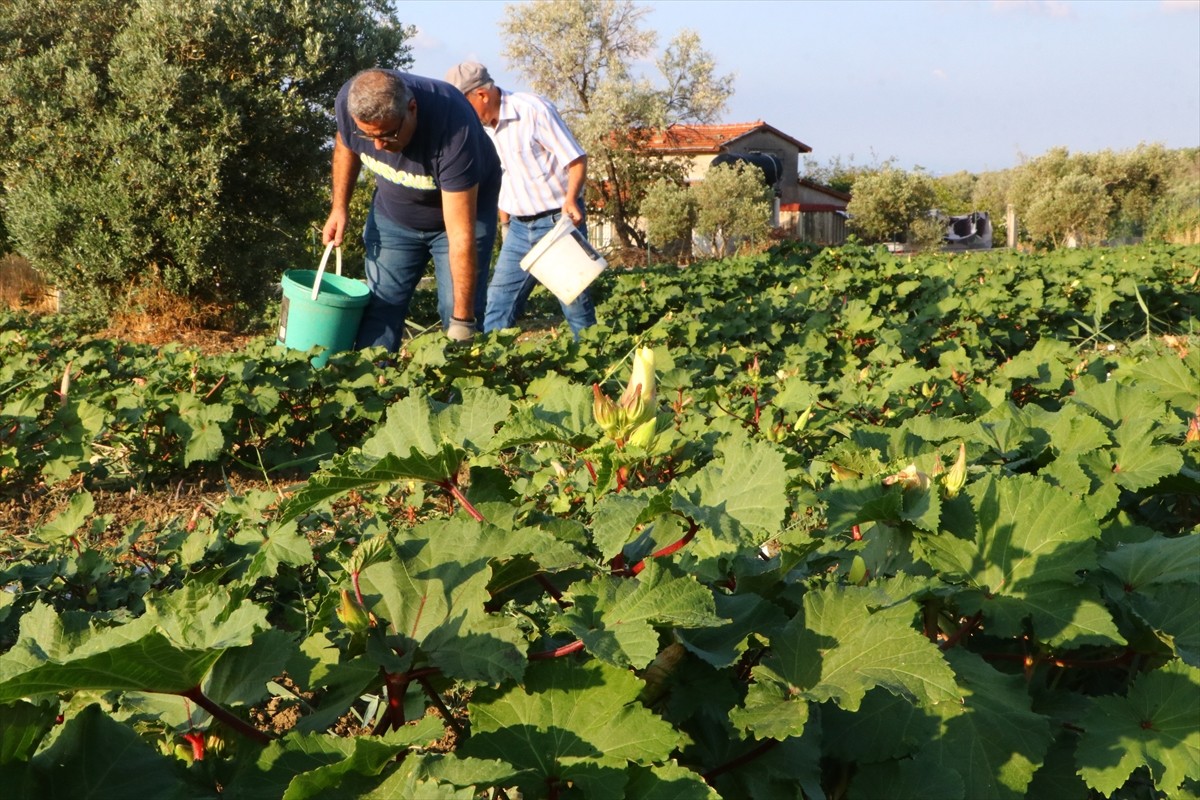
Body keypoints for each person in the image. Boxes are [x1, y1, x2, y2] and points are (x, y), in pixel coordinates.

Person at [322, 68, 501, 350]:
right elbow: (345, 145)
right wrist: (339, 207)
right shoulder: (349, 103)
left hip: (459, 221)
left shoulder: (454, 127)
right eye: (370, 137)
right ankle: (373, 387)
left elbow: (461, 236)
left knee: (455, 311)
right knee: (381, 308)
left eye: (388, 134)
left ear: (412, 108)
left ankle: (459, 387)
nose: (379, 146)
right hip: (394, 216)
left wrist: (463, 325)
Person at [444, 62, 597, 338]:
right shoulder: (481, 130)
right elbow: (503, 176)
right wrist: (504, 222)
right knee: (498, 304)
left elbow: (576, 159)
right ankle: (493, 369)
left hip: (556, 222)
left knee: (574, 302)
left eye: (463, 103)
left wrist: (572, 199)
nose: (461, 112)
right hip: (517, 230)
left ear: (481, 95)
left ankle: (597, 369)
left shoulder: (533, 110)